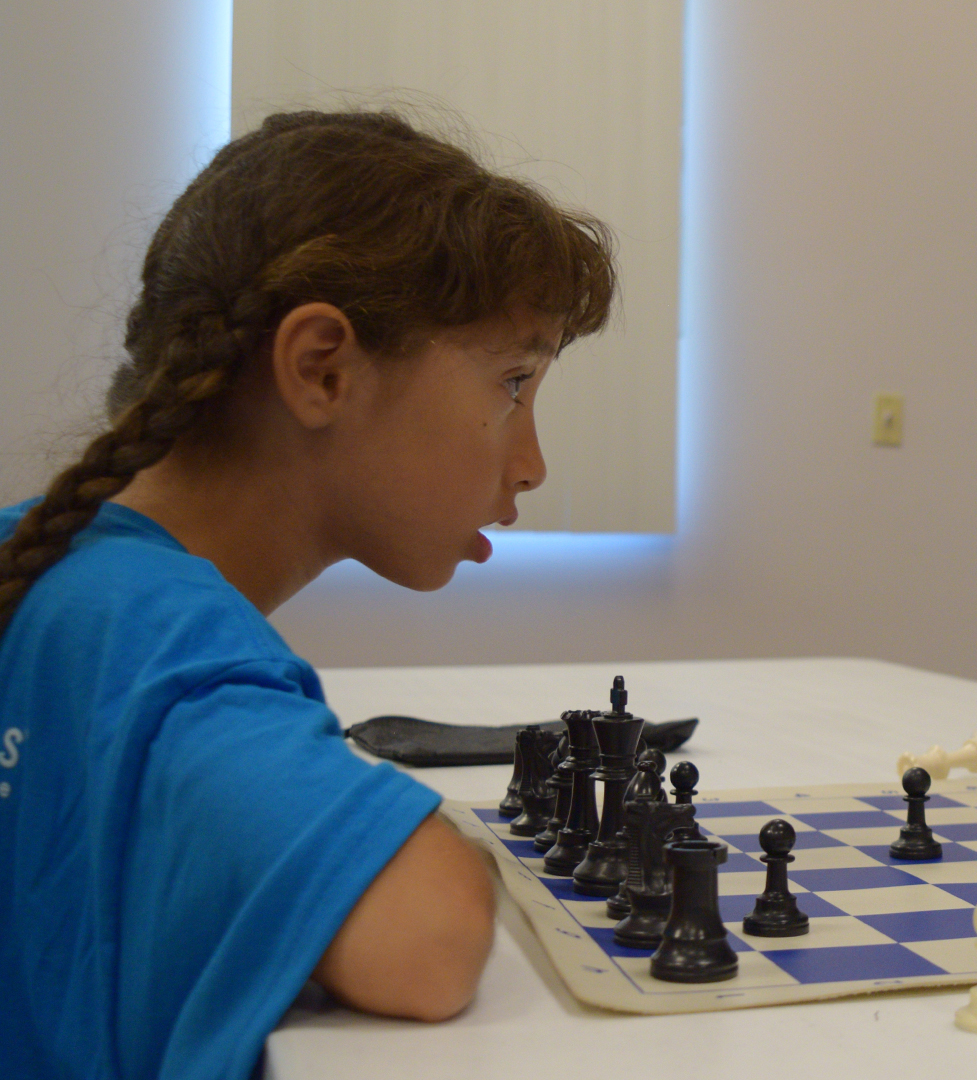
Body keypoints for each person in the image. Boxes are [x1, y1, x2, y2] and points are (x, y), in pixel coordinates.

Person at [0, 110, 618, 1079]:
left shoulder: (42, 559)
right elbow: (428, 936)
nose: (532, 463)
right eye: (512, 382)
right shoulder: (172, 643)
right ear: (322, 369)